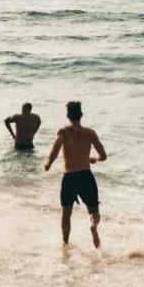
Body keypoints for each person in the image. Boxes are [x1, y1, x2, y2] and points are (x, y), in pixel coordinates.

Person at [44, 101, 107, 248]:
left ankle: (65, 244)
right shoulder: (90, 133)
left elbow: (55, 150)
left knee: (66, 214)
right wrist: (94, 159)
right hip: (86, 176)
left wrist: (49, 164)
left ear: (68, 116)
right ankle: (93, 226)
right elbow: (103, 155)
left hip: (70, 178)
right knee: (93, 211)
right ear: (81, 115)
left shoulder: (64, 132)